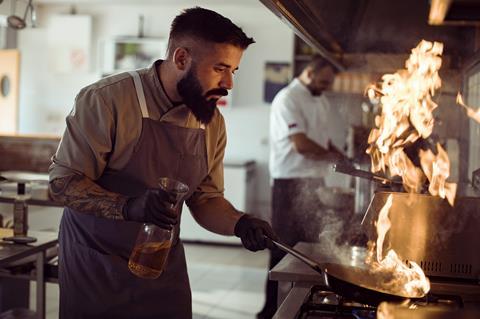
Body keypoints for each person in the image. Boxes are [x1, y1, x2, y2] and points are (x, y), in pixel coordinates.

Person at [49, 7, 276, 319]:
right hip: (97, 266)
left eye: (233, 71)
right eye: (219, 68)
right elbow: (62, 185)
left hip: (159, 265)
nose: (228, 83)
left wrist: (239, 223)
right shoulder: (107, 100)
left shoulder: (211, 123)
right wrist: (129, 207)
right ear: (181, 58)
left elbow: (206, 200)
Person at [258, 56, 347, 318]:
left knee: (313, 250)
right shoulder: (288, 99)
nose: (326, 86)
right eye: (323, 81)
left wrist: (344, 158)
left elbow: (322, 140)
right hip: (289, 183)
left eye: (329, 83)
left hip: (314, 183)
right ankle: (268, 311)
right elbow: (301, 144)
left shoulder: (319, 99)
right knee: (282, 249)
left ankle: (306, 310)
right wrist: (333, 158)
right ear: (309, 72)